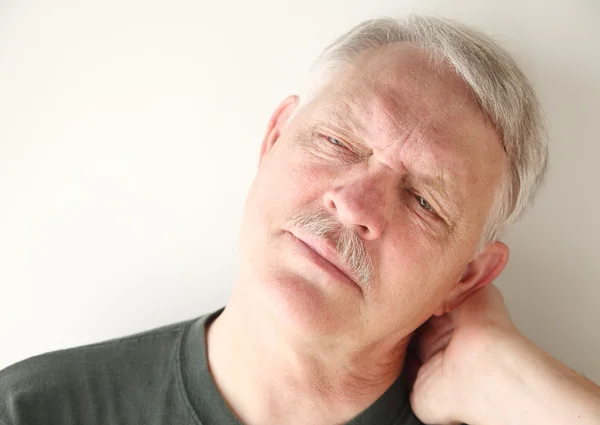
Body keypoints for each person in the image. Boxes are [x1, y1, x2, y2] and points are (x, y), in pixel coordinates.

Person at [1, 14, 598, 425]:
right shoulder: (33, 409)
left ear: (465, 279)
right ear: (274, 139)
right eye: (337, 141)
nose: (356, 205)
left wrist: (510, 379)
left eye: (423, 201)